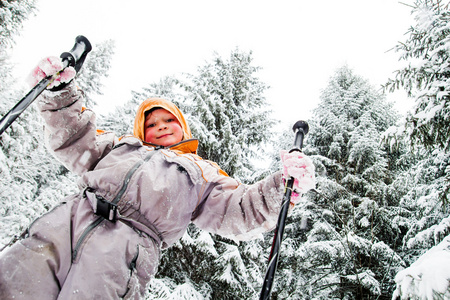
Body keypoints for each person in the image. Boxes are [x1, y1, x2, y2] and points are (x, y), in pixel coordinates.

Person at [0, 56, 315, 299]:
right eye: (152, 123)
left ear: (182, 127)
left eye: (169, 120)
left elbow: (240, 209)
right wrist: (60, 95)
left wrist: (280, 186)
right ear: (141, 131)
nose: (162, 126)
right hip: (65, 222)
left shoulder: (201, 172)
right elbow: (75, 137)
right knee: (16, 281)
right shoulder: (119, 147)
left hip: (124, 250)